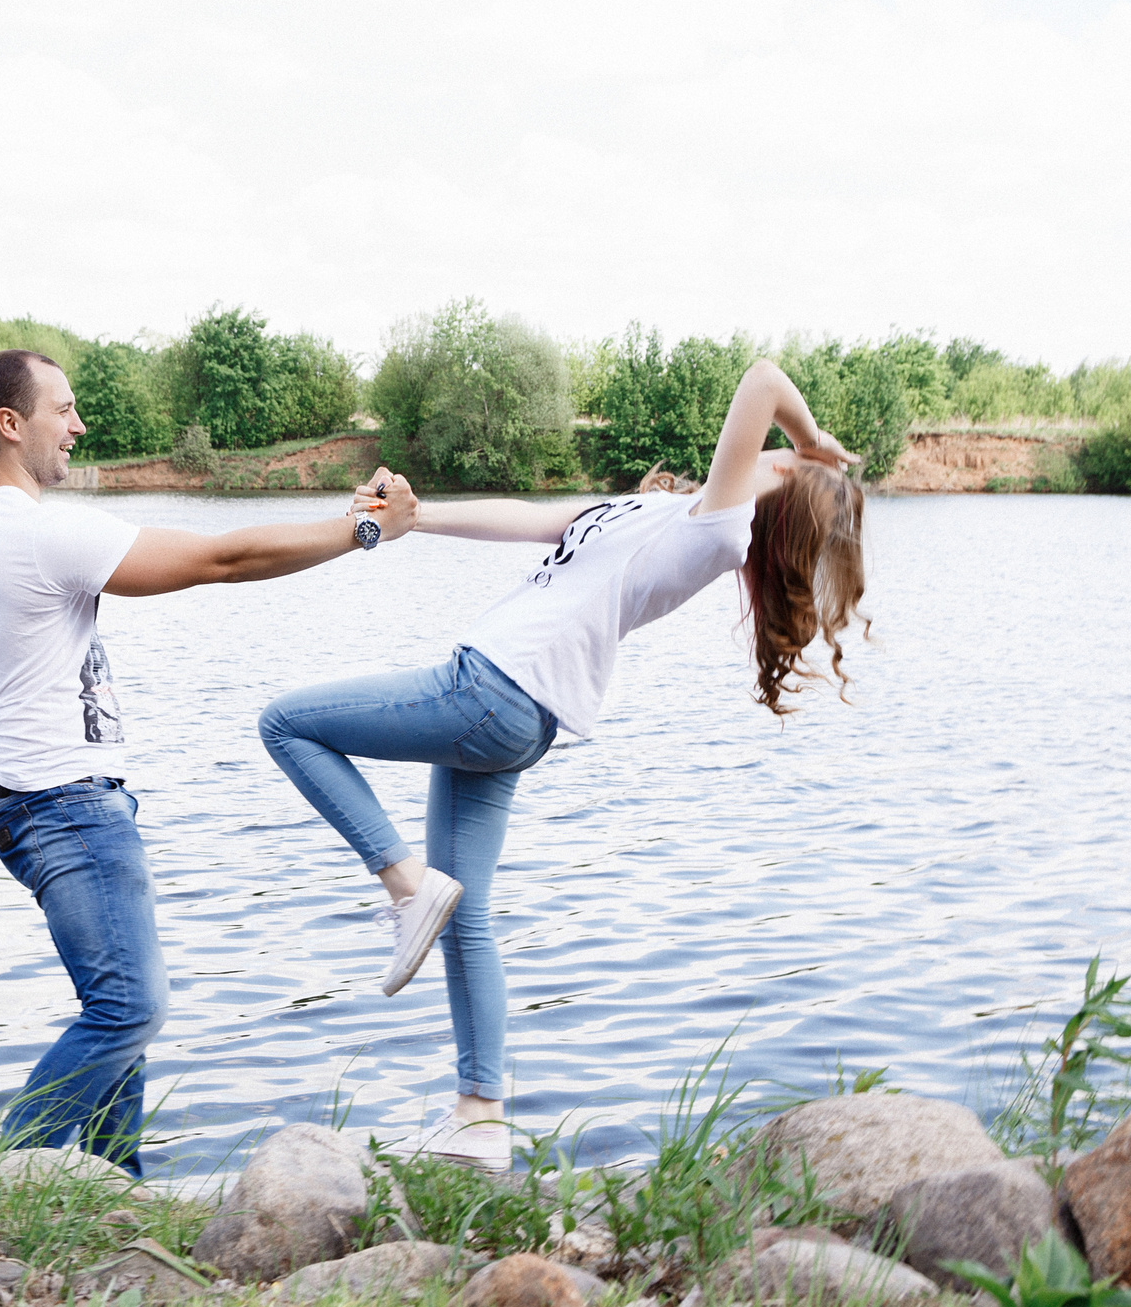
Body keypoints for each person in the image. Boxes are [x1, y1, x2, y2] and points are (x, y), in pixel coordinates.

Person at [256, 358, 868, 1171]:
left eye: (774, 467)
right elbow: (529, 519)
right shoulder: (650, 514)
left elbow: (761, 381)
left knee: (288, 724)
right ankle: (480, 1119)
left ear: (771, 488)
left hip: (492, 686)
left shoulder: (716, 530)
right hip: (520, 712)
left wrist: (809, 439)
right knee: (465, 915)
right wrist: (416, 518)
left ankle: (403, 885)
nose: (763, 459)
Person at [0, 348, 419, 1176]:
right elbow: (220, 560)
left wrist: (10, 781)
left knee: (112, 1006)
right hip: (68, 804)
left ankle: (109, 1190)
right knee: (130, 1007)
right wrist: (363, 529)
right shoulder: (45, 533)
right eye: (64, 410)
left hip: (19, 804)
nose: (80, 427)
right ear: (10, 426)